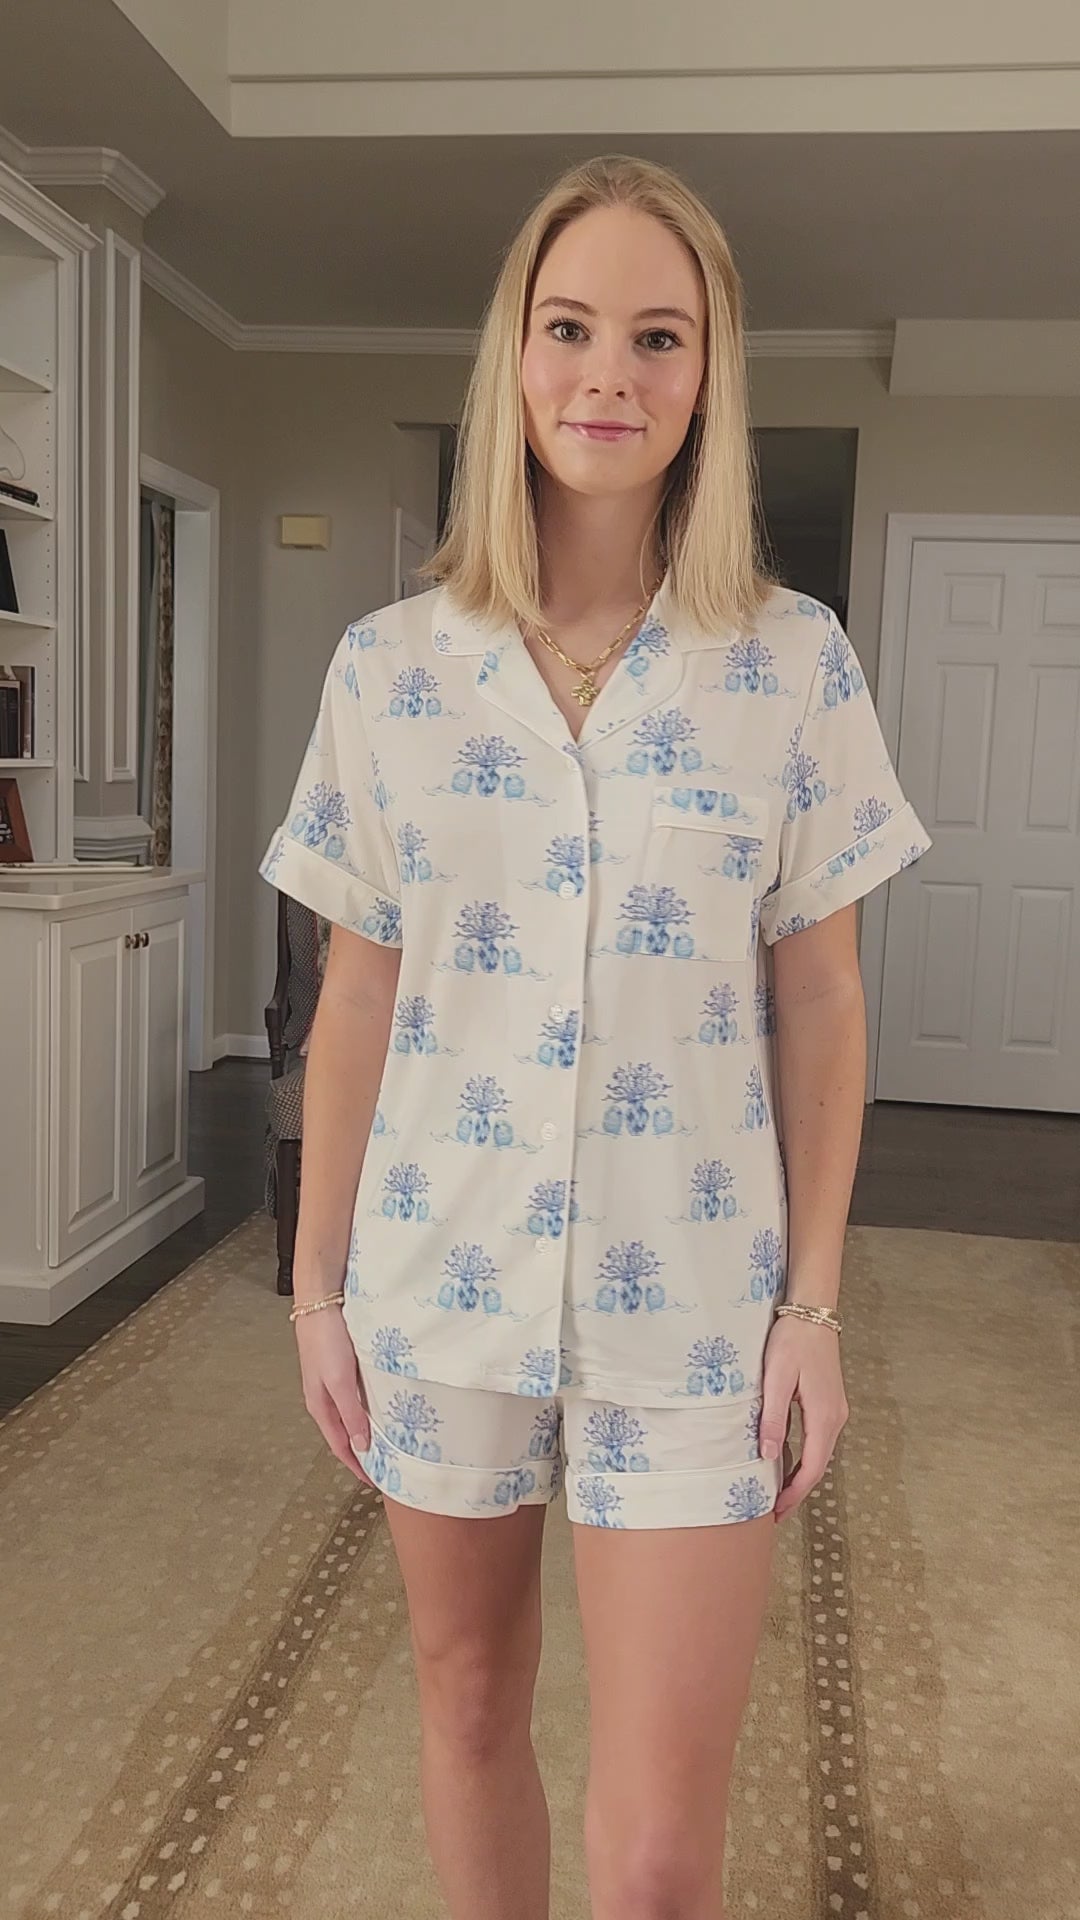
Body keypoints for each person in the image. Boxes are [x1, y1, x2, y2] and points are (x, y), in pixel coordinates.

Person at [260, 154, 930, 1920]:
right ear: (515, 355)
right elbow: (357, 996)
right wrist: (319, 1288)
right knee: (471, 1702)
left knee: (654, 1854)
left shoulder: (793, 667)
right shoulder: (389, 671)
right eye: (569, 328)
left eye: (657, 336)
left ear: (709, 376)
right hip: (442, 1280)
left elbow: (823, 997)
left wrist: (813, 1309)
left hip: (695, 1302)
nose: (608, 375)